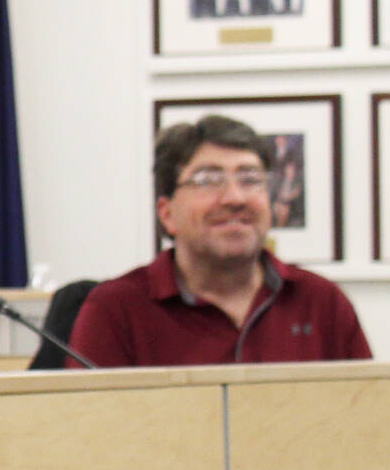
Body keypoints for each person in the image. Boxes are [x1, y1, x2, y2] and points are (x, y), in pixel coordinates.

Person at [68, 114, 371, 368]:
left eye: (250, 179)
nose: (235, 198)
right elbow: (89, 432)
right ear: (167, 212)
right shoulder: (115, 310)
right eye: (209, 180)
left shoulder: (322, 303)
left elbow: (370, 423)